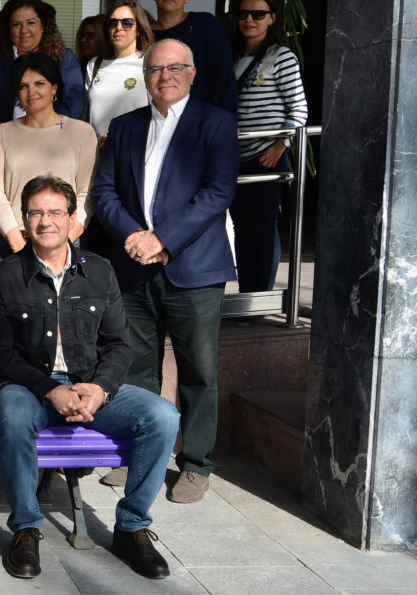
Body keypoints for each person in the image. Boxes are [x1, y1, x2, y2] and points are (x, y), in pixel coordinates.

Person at [0, 174, 181, 581]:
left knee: (162, 415)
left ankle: (132, 527)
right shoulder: (3, 275)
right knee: (13, 416)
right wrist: (51, 390)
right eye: (35, 212)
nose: (45, 221)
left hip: (89, 386)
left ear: (72, 220)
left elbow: (119, 346)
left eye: (55, 212)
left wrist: (99, 388)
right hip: (30, 389)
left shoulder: (100, 271)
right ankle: (26, 527)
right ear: (24, 220)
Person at [91, 39, 239, 503]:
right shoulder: (125, 125)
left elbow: (218, 192)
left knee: (198, 369)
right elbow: (104, 192)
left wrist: (164, 239)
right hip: (134, 264)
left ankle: (195, 464)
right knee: (136, 366)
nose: (165, 75)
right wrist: (135, 236)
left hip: (193, 269)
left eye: (176, 67)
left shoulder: (215, 123)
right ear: (145, 75)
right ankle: (137, 452)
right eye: (156, 68)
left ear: (192, 73)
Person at [230, 0, 308, 291]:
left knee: (262, 227)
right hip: (236, 156)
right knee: (241, 227)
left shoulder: (281, 55)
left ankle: (259, 295)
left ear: (272, 18)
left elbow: (298, 108)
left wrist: (280, 146)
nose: (250, 19)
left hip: (267, 154)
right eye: (244, 14)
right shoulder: (234, 55)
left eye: (258, 14)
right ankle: (248, 292)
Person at [0, 53, 97, 257]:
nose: (31, 92)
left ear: (54, 88)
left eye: (39, 83)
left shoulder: (81, 132)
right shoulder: (1, 133)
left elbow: (87, 194)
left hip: (66, 242)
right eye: (23, 86)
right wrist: (17, 242)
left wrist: (62, 241)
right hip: (12, 242)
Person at [0, 0, 84, 144]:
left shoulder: (64, 58)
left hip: (54, 144)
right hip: (6, 144)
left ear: (42, 25)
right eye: (16, 24)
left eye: (31, 23)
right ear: (8, 28)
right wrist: (9, 142)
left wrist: (45, 138)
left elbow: (72, 107)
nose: (24, 30)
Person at [149, 0, 237, 112]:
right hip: (153, 120)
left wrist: (228, 122)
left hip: (201, 121)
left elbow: (225, 79)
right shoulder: (144, 34)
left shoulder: (204, 25)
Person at [85, 0, 154, 140]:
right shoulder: (94, 64)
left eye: (127, 22)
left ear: (139, 29)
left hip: (134, 147)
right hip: (99, 151)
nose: (119, 28)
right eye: (113, 22)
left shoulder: (149, 63)